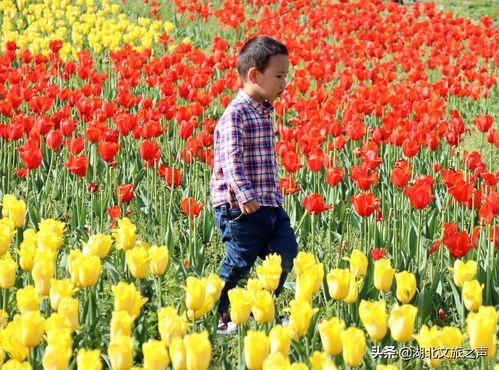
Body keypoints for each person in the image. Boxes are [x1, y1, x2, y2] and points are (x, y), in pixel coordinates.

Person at [209, 36, 298, 333]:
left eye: (286, 76)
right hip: (240, 207)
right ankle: (218, 311)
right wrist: (244, 194)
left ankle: (261, 308)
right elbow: (231, 160)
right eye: (279, 76)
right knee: (239, 261)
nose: (284, 83)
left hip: (269, 203)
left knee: (284, 254)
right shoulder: (236, 114)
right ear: (253, 75)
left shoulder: (263, 111)